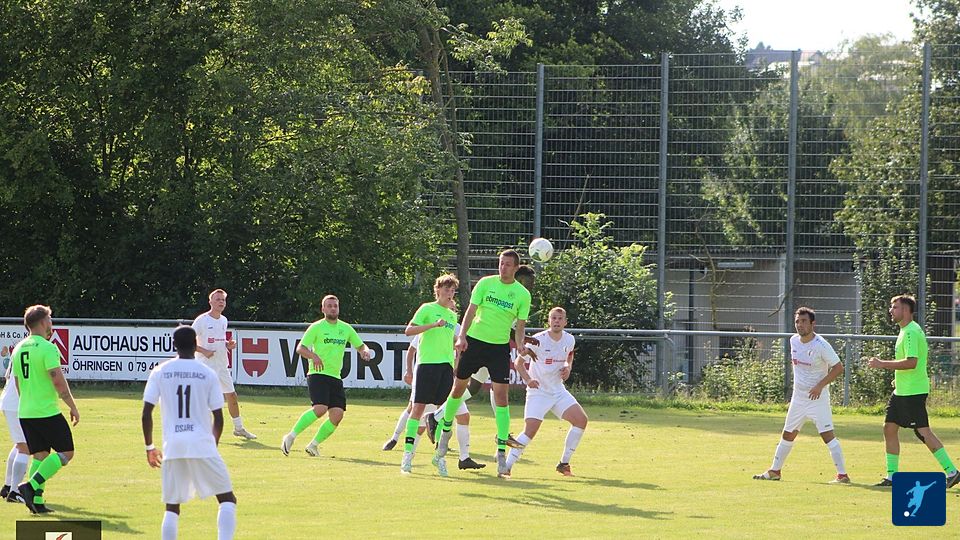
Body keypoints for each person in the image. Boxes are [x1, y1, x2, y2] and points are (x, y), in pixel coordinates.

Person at [434, 249, 531, 478]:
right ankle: (445, 431)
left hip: (498, 349)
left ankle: (501, 453)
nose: (503, 267)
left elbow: (520, 327)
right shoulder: (486, 283)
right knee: (458, 389)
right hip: (475, 343)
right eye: (501, 263)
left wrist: (520, 345)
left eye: (508, 264)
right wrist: (462, 337)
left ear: (516, 268)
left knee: (502, 397)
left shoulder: (522, 294)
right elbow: (470, 311)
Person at [142, 325, 237, 540]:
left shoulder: (160, 371)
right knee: (227, 499)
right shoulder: (207, 373)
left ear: (173, 345)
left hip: (173, 445)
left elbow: (146, 413)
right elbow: (218, 418)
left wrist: (149, 447)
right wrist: (212, 445)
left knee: (172, 507)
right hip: (202, 443)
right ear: (196, 344)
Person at [867, 294, 960, 487]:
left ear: (906, 310)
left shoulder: (911, 332)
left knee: (923, 432)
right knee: (889, 428)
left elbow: (912, 362)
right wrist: (897, 379)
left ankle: (952, 472)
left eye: (894, 307)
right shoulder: (905, 330)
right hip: (902, 391)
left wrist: (882, 364)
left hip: (912, 392)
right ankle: (892, 476)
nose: (890, 310)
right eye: (891, 307)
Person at [753, 307, 849, 483]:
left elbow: (838, 367)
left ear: (813, 324)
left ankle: (842, 475)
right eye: (797, 321)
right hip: (798, 398)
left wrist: (819, 386)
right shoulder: (793, 341)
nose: (800, 325)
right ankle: (775, 471)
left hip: (817, 399)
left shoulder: (821, 345)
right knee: (788, 434)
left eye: (804, 321)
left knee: (827, 436)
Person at [281, 295, 372, 457]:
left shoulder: (346, 328)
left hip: (335, 376)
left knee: (337, 415)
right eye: (329, 306)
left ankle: (313, 445)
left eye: (335, 306)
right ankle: (290, 436)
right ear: (323, 309)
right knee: (320, 408)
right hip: (318, 374)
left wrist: (364, 350)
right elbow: (301, 348)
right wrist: (313, 356)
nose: (333, 308)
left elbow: (360, 345)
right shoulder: (317, 327)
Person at [12, 305, 80, 514]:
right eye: (50, 319)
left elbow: (17, 383)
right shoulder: (48, 348)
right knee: (66, 452)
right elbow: (58, 382)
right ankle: (30, 486)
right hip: (46, 411)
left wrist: (28, 403)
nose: (51, 322)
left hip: (26, 411)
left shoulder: (18, 348)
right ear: (43, 322)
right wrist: (72, 406)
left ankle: (37, 502)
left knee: (40, 456)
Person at [506, 307, 586, 477]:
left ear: (565, 322)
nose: (557, 321)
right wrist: (528, 380)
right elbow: (518, 363)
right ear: (549, 321)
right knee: (530, 432)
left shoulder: (569, 339)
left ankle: (563, 464)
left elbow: (569, 355)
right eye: (553, 318)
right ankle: (506, 466)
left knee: (581, 420)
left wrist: (568, 367)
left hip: (558, 391)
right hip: (539, 393)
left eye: (560, 318)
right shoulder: (537, 341)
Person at [401, 274, 461, 476]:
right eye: (446, 289)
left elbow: (449, 339)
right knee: (417, 409)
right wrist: (433, 325)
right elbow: (409, 330)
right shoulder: (427, 308)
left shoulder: (452, 315)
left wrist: (458, 343)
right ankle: (407, 455)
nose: (449, 293)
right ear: (437, 290)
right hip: (427, 365)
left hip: (446, 367)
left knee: (445, 412)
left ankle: (439, 457)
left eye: (452, 290)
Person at [192, 289, 256, 440]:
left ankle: (239, 428)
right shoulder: (202, 320)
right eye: (218, 299)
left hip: (222, 366)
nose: (221, 302)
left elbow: (219, 340)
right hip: (205, 366)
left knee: (232, 396)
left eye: (223, 300)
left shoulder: (223, 320)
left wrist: (227, 344)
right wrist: (204, 351)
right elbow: (186, 340)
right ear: (210, 302)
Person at [1, 359, 29, 503]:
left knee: (20, 444)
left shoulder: (19, 349)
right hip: (16, 403)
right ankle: (15, 491)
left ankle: (8, 486)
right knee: (25, 447)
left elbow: (7, 376)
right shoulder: (31, 349)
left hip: (10, 400)